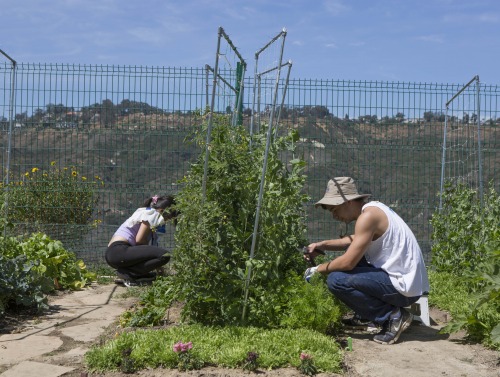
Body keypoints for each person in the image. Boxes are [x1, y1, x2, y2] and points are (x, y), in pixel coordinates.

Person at [304, 177, 429, 345]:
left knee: (337, 279)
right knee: (356, 253)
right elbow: (355, 240)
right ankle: (365, 315)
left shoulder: (368, 216)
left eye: (334, 209)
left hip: (403, 289)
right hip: (407, 282)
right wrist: (322, 245)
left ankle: (393, 316)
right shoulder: (373, 210)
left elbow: (348, 263)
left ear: (347, 201)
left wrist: (318, 269)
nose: (334, 216)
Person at [105, 194, 178, 287]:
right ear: (163, 211)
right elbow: (139, 240)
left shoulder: (145, 212)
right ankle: (128, 273)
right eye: (169, 216)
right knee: (165, 255)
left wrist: (156, 266)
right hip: (119, 251)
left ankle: (134, 274)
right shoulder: (152, 215)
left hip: (113, 254)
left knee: (158, 255)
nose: (167, 220)